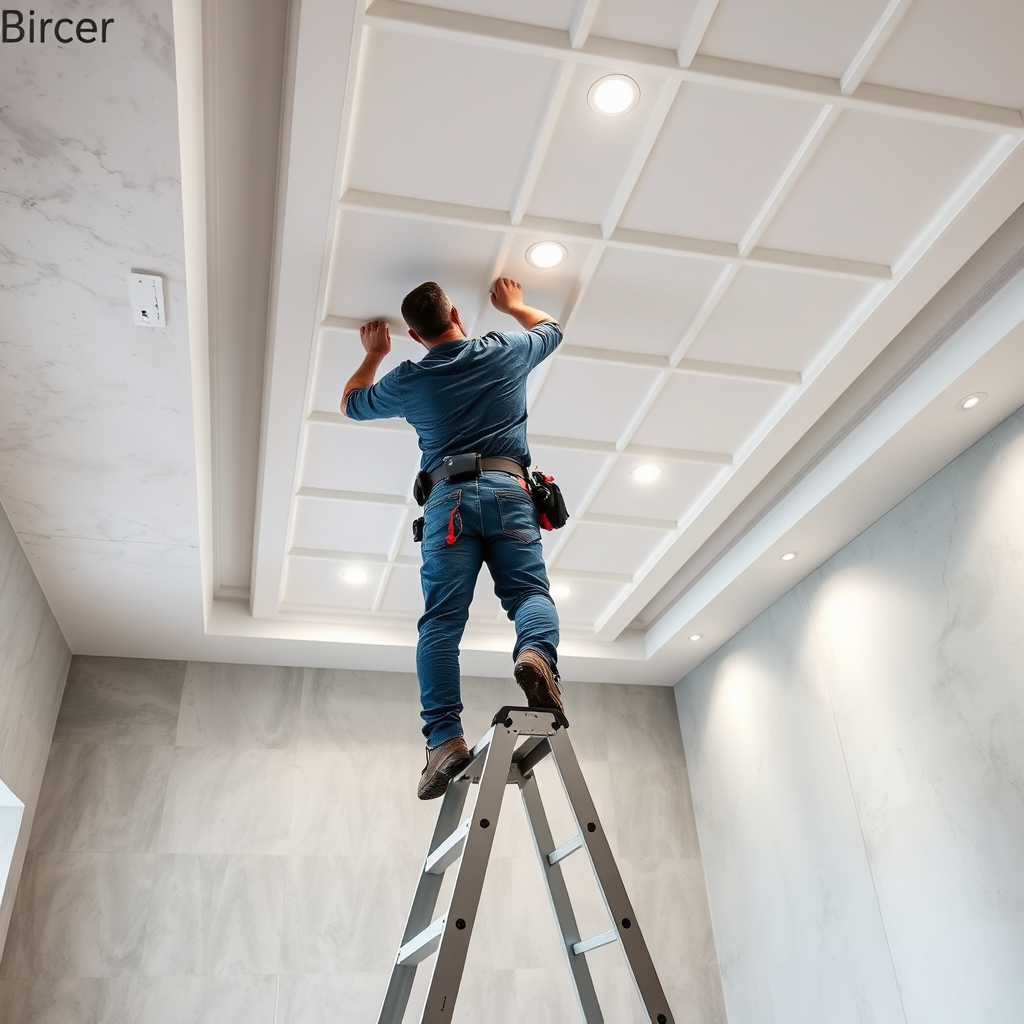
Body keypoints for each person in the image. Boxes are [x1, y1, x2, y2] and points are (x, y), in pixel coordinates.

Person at [342, 278, 564, 799]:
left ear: (415, 337)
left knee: (441, 623)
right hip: (511, 489)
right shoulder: (506, 349)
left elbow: (351, 403)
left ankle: (444, 741)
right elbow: (551, 329)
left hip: (448, 504)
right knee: (529, 595)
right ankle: (535, 655)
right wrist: (513, 305)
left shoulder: (409, 379)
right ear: (457, 313)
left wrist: (374, 354)